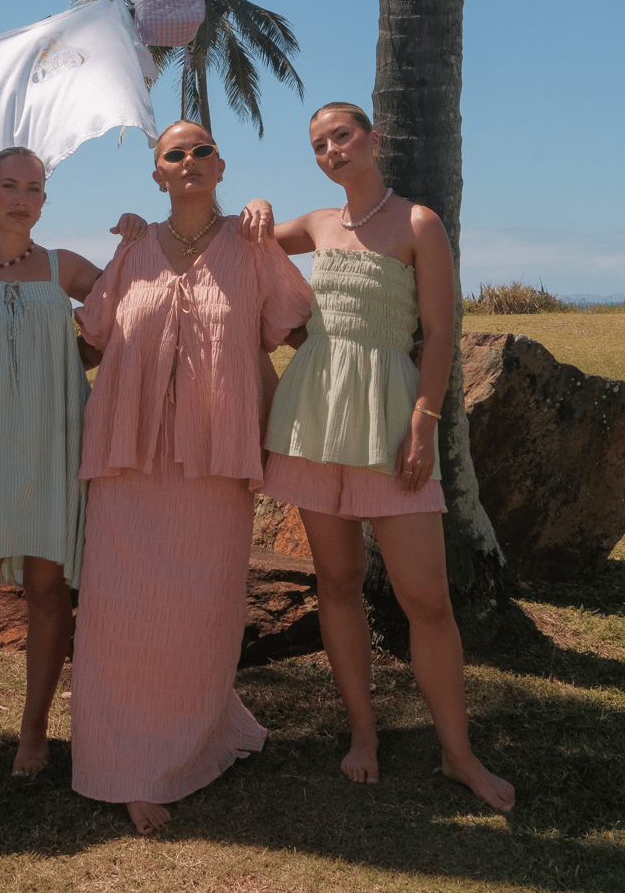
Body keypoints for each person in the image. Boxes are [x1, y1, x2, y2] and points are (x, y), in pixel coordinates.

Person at [241, 102, 515, 813]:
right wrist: (259, 204)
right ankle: (362, 733)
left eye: (343, 136)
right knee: (337, 582)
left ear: (373, 139)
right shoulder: (317, 224)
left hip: (391, 416)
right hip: (314, 415)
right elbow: (248, 241)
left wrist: (423, 426)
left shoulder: (419, 223)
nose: (332, 150)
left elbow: (440, 333)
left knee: (427, 600)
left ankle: (458, 755)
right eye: (319, 144)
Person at [69, 120, 312, 836]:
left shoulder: (251, 241)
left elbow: (296, 323)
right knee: (119, 612)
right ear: (158, 175)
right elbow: (92, 335)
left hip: (215, 461)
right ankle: (123, 764)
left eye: (202, 149)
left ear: (221, 165)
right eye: (174, 153)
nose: (190, 160)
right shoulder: (133, 246)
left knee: (200, 611)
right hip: (129, 459)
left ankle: (191, 741)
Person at [0, 146, 144, 804]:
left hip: (54, 445)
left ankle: (34, 732)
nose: (22, 199)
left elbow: (134, 300)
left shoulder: (64, 266)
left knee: (48, 592)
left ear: (45, 200)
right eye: (11, 186)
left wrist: (137, 239)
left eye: (35, 188)